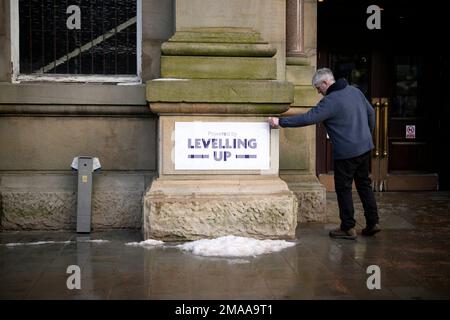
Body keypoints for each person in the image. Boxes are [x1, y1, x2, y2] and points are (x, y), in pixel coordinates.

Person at [268, 68, 380, 240]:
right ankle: (373, 222)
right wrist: (365, 136)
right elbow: (371, 113)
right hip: (364, 148)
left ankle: (348, 227)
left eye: (318, 88)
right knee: (364, 184)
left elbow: (308, 118)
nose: (318, 91)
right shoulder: (355, 91)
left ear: (326, 83)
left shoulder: (330, 101)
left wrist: (281, 121)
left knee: (343, 189)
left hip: (346, 153)